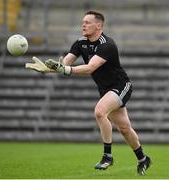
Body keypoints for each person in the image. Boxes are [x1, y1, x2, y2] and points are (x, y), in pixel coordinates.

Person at [25, 10, 151, 175]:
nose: (83, 25)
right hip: (105, 89)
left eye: (87, 22)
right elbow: (65, 64)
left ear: (99, 25)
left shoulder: (107, 45)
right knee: (124, 128)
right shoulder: (80, 42)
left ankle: (107, 156)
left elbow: (90, 68)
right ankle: (143, 159)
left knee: (99, 112)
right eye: (82, 22)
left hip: (121, 85)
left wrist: (63, 69)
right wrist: (50, 69)